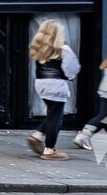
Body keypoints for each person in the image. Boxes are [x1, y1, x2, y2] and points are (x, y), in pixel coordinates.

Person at [28, 19, 79, 158]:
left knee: (52, 113)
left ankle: (38, 135)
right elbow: (72, 68)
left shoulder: (38, 48)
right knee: (56, 117)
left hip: (41, 83)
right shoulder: (63, 49)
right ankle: (49, 149)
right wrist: (70, 76)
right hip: (57, 84)